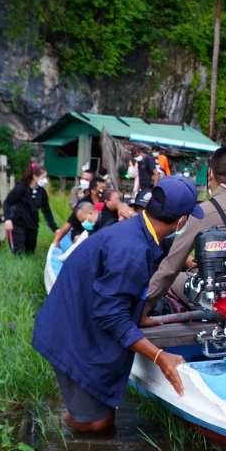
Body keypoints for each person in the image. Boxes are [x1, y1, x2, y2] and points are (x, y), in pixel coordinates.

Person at [32, 176, 206, 435]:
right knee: (97, 424)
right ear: (181, 221)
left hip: (83, 318)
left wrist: (140, 314)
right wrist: (160, 357)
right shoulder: (131, 249)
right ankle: (55, 424)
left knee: (108, 411)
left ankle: (78, 410)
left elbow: (124, 291)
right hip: (70, 331)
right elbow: (112, 316)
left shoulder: (139, 231)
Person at [145, 146, 226, 311]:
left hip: (217, 296)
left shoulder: (203, 211)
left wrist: (143, 307)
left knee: (175, 279)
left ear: (210, 173)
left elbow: (171, 267)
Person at [3, 163, 59, 254]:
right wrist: (7, 219)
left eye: (46, 177)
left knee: (30, 252)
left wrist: (55, 228)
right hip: (18, 223)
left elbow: (46, 211)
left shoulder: (42, 192)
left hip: (32, 225)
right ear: (35, 177)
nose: (45, 180)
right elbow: (7, 203)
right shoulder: (20, 188)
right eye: (43, 177)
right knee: (19, 252)